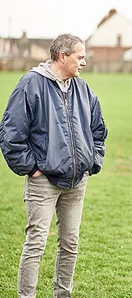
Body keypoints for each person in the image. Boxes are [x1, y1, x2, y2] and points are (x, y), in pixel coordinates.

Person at [0, 33, 108, 298]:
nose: (84, 62)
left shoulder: (83, 89)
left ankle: (63, 294)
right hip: (43, 182)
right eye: (80, 57)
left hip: (76, 182)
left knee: (70, 244)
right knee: (35, 244)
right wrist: (33, 168)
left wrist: (92, 162)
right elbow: (11, 133)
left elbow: (98, 130)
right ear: (62, 56)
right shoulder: (31, 84)